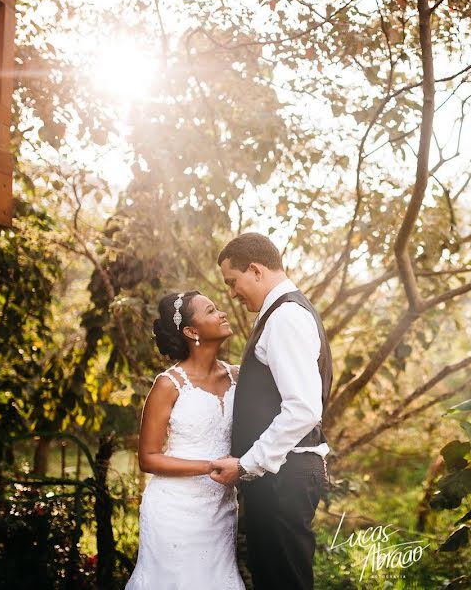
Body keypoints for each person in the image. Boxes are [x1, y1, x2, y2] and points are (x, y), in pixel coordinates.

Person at [209, 232, 332, 590]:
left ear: (256, 270)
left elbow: (304, 408)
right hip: (283, 476)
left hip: (283, 478)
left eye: (233, 282)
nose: (232, 292)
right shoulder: (284, 313)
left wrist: (248, 463)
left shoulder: (284, 318)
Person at [126, 292, 245, 590]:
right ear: (192, 332)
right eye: (211, 311)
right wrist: (210, 466)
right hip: (174, 512)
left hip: (222, 510)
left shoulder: (238, 377)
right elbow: (148, 457)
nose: (221, 314)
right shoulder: (168, 385)